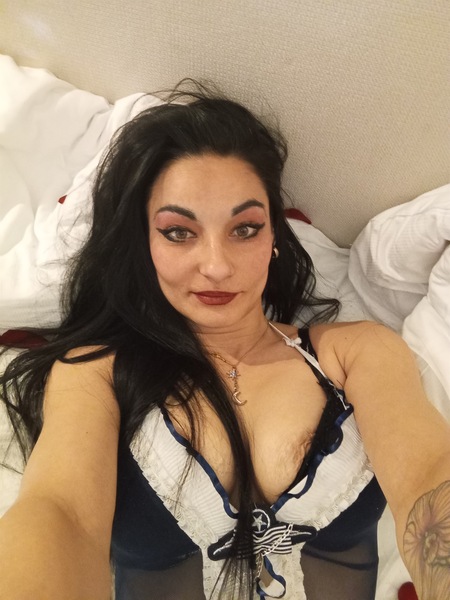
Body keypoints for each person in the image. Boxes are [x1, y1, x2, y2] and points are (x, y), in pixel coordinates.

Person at [0, 82, 449, 600]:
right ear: (144, 243)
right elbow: (61, 514)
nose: (216, 266)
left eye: (245, 228)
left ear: (274, 237)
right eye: (178, 232)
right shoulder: (96, 371)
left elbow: (428, 476)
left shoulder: (357, 353)